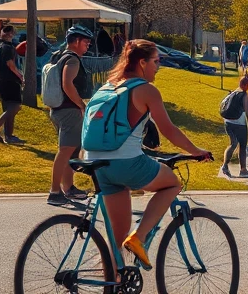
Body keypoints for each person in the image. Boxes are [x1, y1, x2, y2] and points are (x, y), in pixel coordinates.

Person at [83, 39, 211, 269]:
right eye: (156, 61)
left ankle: (115, 282)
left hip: (96, 162)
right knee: (172, 184)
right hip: (125, 163)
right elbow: (168, 129)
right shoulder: (146, 90)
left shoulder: (108, 87)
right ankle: (139, 238)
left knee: (117, 241)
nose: (158, 66)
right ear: (142, 62)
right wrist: (196, 151)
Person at [47, 25, 96, 206]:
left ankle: (68, 188)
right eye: (85, 41)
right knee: (65, 151)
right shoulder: (73, 60)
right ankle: (54, 191)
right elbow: (68, 84)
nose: (88, 45)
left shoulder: (59, 55)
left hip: (59, 108)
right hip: (69, 111)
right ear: (75, 41)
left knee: (70, 151)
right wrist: (81, 105)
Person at [0, 25, 24, 144]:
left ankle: (9, 136)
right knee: (16, 106)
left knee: (8, 108)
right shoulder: (8, 47)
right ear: (10, 34)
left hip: (1, 80)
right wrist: (19, 75)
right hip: (10, 81)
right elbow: (10, 64)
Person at [221, 74, 248, 178]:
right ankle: (243, 170)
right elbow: (247, 112)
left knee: (232, 144)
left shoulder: (233, 93)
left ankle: (225, 165)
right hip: (240, 123)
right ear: (246, 85)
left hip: (228, 122)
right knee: (242, 146)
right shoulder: (245, 95)